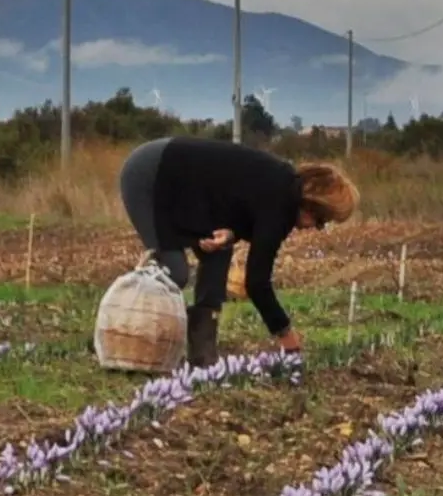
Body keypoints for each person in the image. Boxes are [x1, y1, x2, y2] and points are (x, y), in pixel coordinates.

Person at [118, 137, 358, 367]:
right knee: (174, 272)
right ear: (311, 204)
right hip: (149, 174)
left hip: (180, 187)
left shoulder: (282, 187)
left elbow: (240, 206)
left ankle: (203, 356)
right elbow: (256, 283)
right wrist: (286, 336)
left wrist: (232, 235)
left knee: (218, 254)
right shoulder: (280, 202)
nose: (316, 229)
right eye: (320, 221)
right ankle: (124, 332)